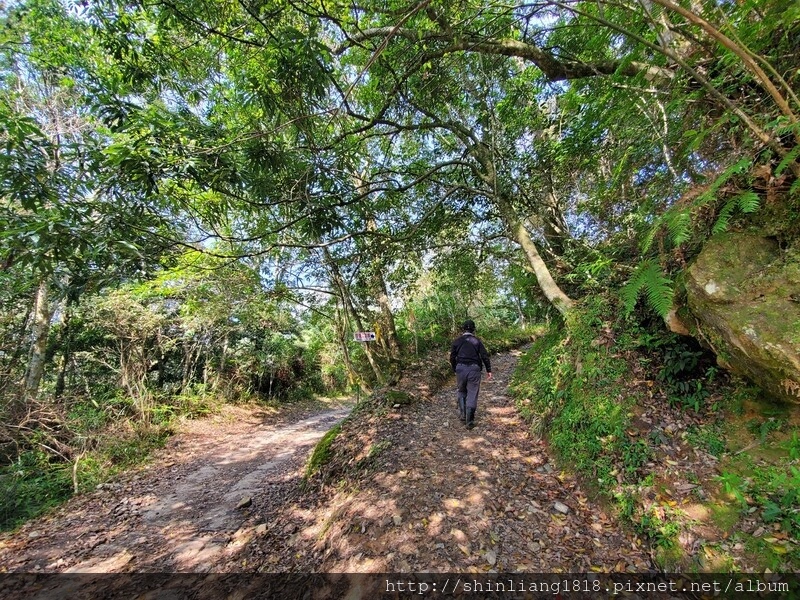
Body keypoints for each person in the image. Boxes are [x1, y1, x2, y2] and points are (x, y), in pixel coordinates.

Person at [449, 319, 492, 429]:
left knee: (461, 390)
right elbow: (484, 356)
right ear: (473, 329)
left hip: (460, 368)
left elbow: (452, 357)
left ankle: (463, 414)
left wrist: (455, 368)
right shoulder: (477, 341)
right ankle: (469, 421)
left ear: (463, 329)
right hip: (474, 369)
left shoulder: (457, 341)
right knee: (472, 393)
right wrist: (489, 370)